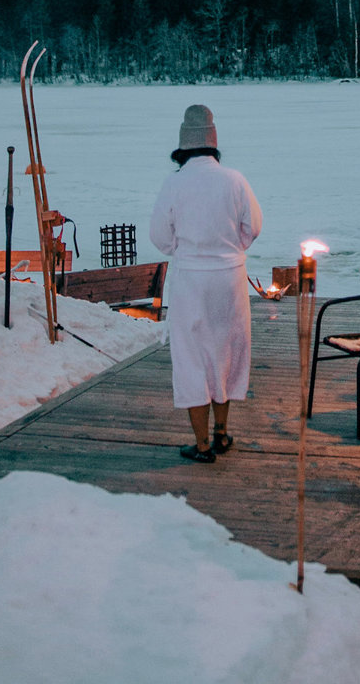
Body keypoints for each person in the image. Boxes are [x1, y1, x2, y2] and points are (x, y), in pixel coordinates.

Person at [148, 104, 263, 463]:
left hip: (190, 281)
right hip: (228, 278)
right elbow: (253, 227)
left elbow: (159, 235)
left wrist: (183, 252)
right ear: (213, 146)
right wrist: (229, 250)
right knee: (225, 351)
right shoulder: (235, 180)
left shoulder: (174, 183)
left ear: (182, 149)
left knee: (191, 357)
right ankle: (222, 434)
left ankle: (201, 445)